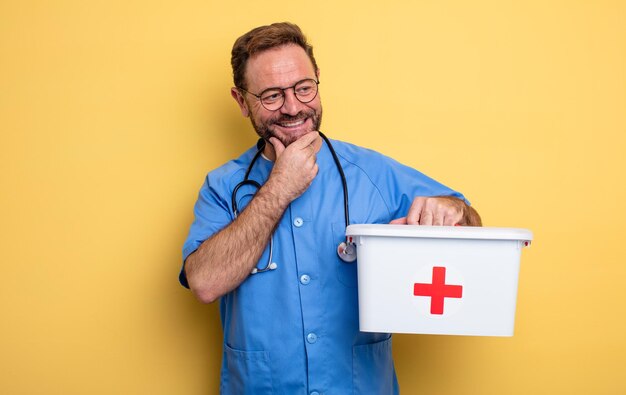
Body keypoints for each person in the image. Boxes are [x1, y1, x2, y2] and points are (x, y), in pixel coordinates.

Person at [179, 22, 481, 394]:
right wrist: (279, 188)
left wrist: (452, 210)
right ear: (242, 101)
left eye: (303, 88)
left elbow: (469, 222)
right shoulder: (223, 186)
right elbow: (205, 283)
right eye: (272, 96)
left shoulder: (374, 174)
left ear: (318, 80)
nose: (293, 107)